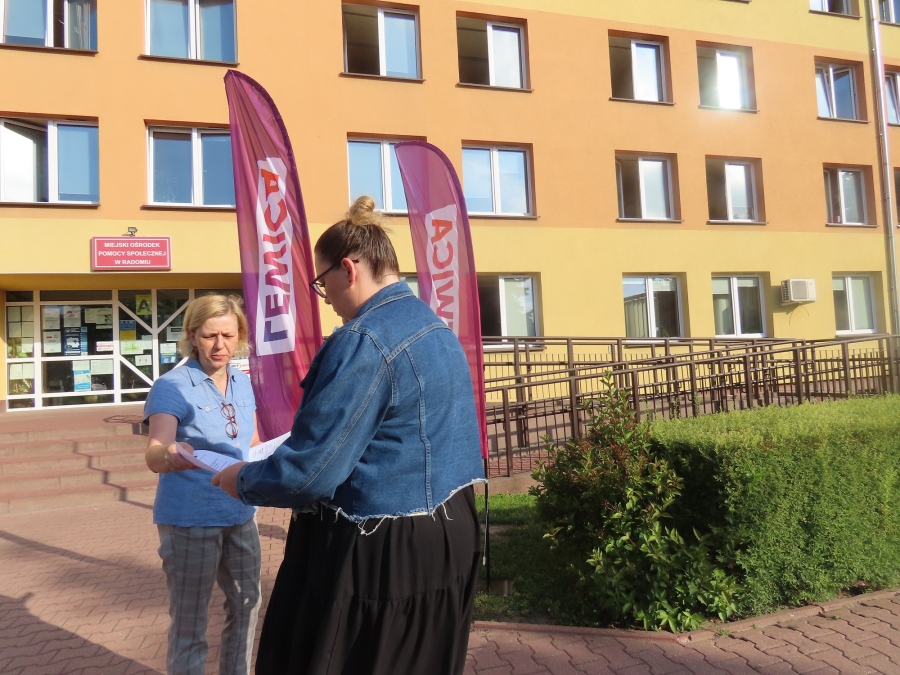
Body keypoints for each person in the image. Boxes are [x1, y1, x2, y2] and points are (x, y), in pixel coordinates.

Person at [213, 196, 486, 675]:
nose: (326, 298)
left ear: (348, 269)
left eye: (322, 283)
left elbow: (311, 472)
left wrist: (243, 480)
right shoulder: (436, 327)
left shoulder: (362, 340)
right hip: (450, 535)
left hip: (381, 548)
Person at [144, 294, 262, 675]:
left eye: (228, 335)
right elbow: (155, 452)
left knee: (247, 605)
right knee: (190, 623)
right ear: (193, 336)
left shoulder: (243, 383)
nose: (219, 345)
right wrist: (170, 455)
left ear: (239, 335)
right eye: (210, 335)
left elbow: (251, 443)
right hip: (191, 519)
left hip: (240, 512)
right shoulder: (172, 386)